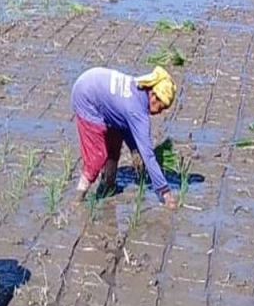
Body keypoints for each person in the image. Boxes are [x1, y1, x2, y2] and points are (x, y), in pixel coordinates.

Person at [71, 66, 177, 207]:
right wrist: (165, 192)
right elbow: (148, 156)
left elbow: (125, 122)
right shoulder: (137, 110)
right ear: (153, 95)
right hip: (86, 97)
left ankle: (108, 185)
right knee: (97, 157)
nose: (160, 112)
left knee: (116, 139)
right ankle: (78, 198)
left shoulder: (138, 90)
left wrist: (134, 148)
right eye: (161, 107)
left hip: (92, 82)